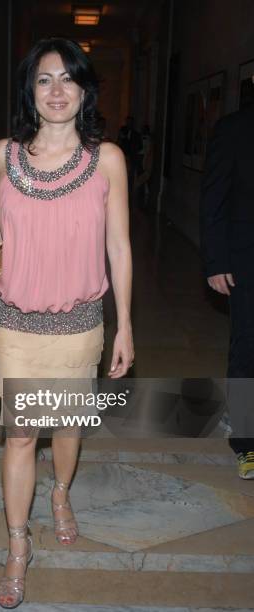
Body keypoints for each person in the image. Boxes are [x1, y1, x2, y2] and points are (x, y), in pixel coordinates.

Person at [0, 37, 133, 608]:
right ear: (29, 90)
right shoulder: (2, 156)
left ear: (84, 90)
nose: (56, 91)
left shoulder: (105, 159)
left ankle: (61, 493)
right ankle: (18, 548)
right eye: (44, 79)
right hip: (14, 321)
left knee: (65, 429)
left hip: (80, 321)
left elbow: (119, 245)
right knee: (19, 434)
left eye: (68, 79)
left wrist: (126, 323)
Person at [200, 100, 254, 480]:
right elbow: (214, 198)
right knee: (248, 349)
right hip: (246, 262)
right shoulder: (235, 128)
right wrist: (216, 261)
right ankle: (247, 443)